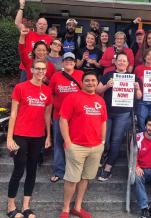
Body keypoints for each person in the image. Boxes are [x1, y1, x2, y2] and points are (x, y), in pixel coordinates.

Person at [6, 59, 52, 218]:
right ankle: (10, 205)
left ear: (46, 71)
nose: (40, 71)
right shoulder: (20, 87)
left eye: (43, 69)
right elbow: (13, 114)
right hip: (20, 134)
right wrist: (9, 138)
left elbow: (47, 115)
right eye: (37, 68)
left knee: (32, 171)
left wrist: (48, 136)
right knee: (19, 169)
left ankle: (26, 206)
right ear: (31, 70)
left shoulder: (47, 90)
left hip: (38, 136)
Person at [58, 72, 107, 218]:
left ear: (97, 83)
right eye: (87, 80)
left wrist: (103, 142)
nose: (90, 83)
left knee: (85, 178)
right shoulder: (72, 97)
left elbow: (104, 121)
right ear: (82, 82)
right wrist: (67, 142)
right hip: (76, 146)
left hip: (96, 146)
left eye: (93, 80)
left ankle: (77, 207)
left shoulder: (100, 100)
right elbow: (63, 120)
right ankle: (66, 208)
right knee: (72, 179)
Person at [96, 52, 142, 181]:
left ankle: (108, 168)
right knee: (104, 139)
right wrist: (107, 86)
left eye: (124, 61)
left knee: (116, 141)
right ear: (115, 63)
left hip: (123, 113)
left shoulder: (132, 77)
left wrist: (137, 89)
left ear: (128, 64)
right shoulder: (108, 75)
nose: (121, 63)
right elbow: (98, 90)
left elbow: (139, 96)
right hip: (107, 112)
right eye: (119, 60)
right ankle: (104, 157)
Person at [49, 52, 84, 183]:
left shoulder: (81, 75)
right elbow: (50, 93)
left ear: (75, 62)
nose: (69, 62)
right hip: (59, 115)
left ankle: (74, 170)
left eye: (71, 60)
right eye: (66, 60)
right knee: (58, 143)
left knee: (75, 144)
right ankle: (59, 171)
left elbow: (87, 91)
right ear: (62, 63)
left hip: (77, 117)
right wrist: (52, 109)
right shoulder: (56, 76)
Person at [15, 0, 52, 82]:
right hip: (26, 67)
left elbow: (50, 54)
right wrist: (21, 7)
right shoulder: (29, 33)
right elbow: (17, 23)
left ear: (47, 26)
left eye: (44, 24)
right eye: (40, 24)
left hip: (41, 68)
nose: (42, 26)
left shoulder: (49, 38)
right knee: (24, 90)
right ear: (36, 25)